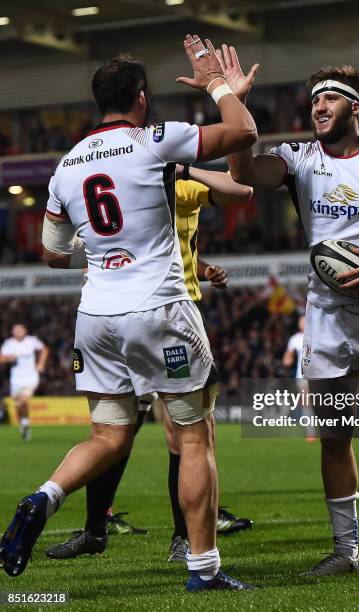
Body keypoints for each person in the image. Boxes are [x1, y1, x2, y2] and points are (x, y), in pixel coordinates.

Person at [1, 35, 257, 594]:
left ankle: (43, 498)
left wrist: (100, 256)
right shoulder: (153, 140)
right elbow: (242, 134)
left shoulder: (67, 166)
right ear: (142, 98)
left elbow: (49, 252)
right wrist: (220, 85)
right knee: (194, 436)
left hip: (95, 316)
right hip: (160, 308)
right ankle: (203, 569)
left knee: (108, 436)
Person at [221, 46, 359, 584]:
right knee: (335, 434)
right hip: (326, 313)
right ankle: (347, 552)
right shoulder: (298, 159)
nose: (319, 106)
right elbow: (245, 171)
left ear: (355, 108)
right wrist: (232, 104)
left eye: (330, 99)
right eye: (314, 99)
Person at [45, 166, 253, 562]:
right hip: (131, 316)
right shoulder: (126, 182)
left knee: (179, 431)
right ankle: (95, 528)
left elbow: (231, 194)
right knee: (118, 431)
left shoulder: (179, 183)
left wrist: (202, 267)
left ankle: (182, 537)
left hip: (171, 312)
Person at [0, 324, 49, 441]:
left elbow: (44, 349)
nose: (18, 332)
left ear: (25, 331)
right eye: (15, 330)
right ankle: (24, 423)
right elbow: (1, 358)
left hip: (30, 378)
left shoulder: (32, 341)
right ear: (12, 332)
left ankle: (25, 423)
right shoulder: (9, 344)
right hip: (16, 380)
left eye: (20, 330)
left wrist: (41, 364)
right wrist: (8, 358)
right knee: (19, 406)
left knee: (23, 400)